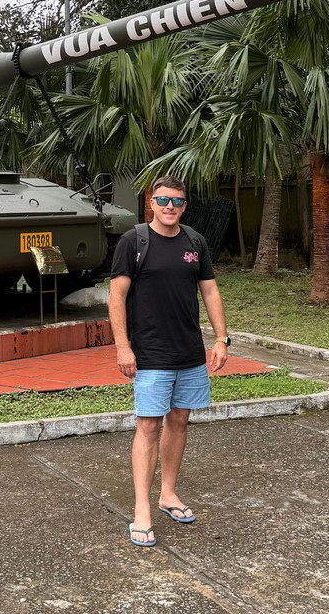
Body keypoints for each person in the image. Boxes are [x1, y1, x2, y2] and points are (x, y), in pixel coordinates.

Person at [108, 175, 229, 547]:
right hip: (150, 354)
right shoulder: (134, 242)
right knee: (148, 426)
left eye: (176, 201)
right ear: (152, 203)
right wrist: (123, 347)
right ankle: (141, 509)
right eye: (163, 200)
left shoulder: (195, 241)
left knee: (179, 420)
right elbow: (116, 296)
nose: (170, 207)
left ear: (184, 205)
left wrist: (221, 339)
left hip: (189, 352)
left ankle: (168, 494)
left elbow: (210, 291)